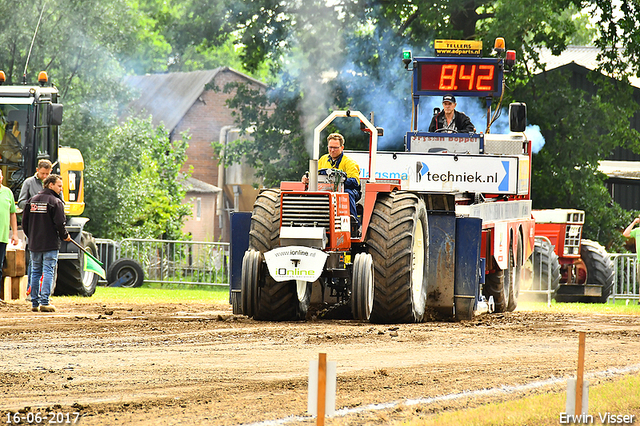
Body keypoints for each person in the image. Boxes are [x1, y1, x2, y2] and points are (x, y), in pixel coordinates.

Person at [22, 174, 71, 313]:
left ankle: (34, 303)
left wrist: (31, 236)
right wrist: (65, 236)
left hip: (35, 243)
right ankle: (45, 302)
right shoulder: (56, 202)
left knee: (35, 272)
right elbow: (60, 224)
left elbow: (25, 223)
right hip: (50, 244)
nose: (61, 189)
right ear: (51, 185)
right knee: (48, 271)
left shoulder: (31, 201)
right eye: (59, 186)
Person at [302, 133, 362, 228]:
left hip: (347, 190)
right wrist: (307, 178)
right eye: (330, 147)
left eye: (335, 148)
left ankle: (353, 223)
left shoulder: (350, 162)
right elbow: (313, 174)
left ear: (342, 147)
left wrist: (339, 181)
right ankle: (306, 219)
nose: (332, 150)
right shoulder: (323, 159)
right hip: (325, 190)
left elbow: (355, 182)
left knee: (347, 194)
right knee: (310, 193)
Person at [18, 159, 53, 301]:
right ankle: (31, 293)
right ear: (37, 170)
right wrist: (35, 204)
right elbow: (21, 202)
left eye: (47, 173)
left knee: (49, 265)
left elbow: (59, 202)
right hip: (34, 226)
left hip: (49, 228)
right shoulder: (28, 183)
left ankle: (46, 294)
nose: (45, 176)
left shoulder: (53, 183)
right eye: (43, 173)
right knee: (35, 263)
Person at [0, 169, 19, 274]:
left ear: (2, 178)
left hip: (2, 237)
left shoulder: (7, 192)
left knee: (0, 267)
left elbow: (12, 213)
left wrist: (15, 234)